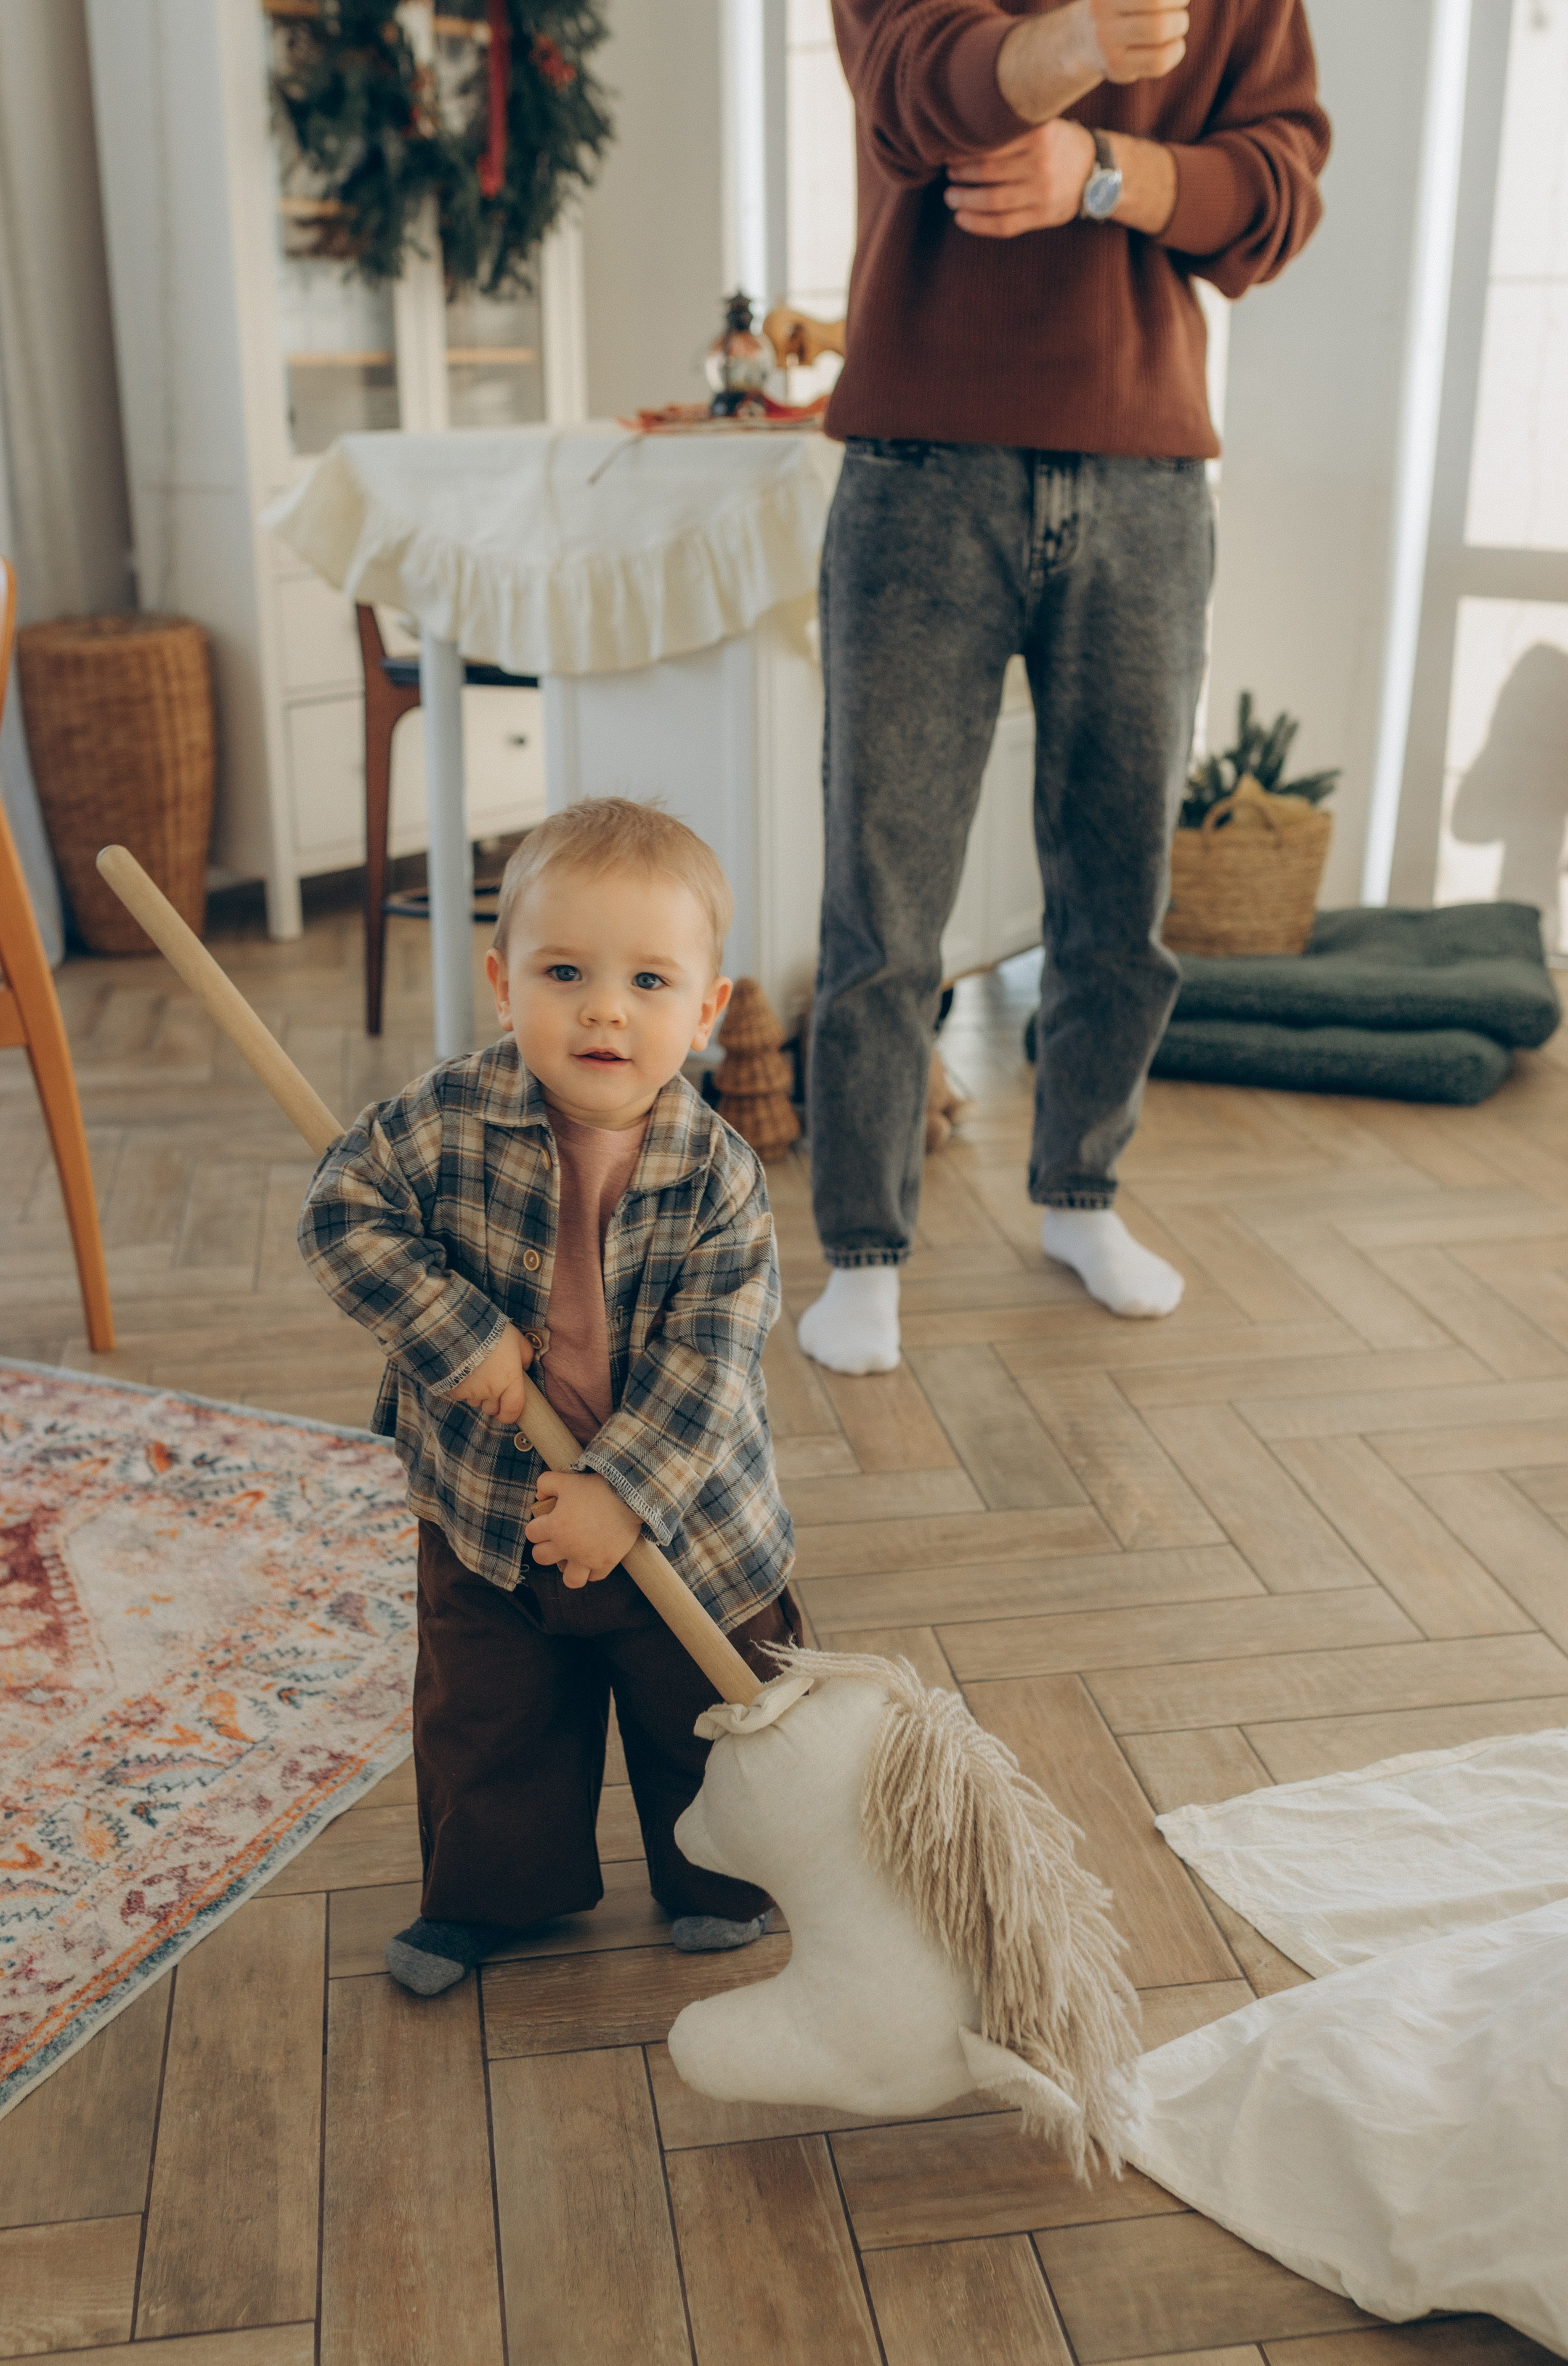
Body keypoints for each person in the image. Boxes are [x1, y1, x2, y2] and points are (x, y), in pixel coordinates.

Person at [784, 0, 1330, 1375]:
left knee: (1116, 895)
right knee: (882, 903)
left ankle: (1078, 1197)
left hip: (1145, 477)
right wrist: (1081, 42)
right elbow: (916, 95)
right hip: (918, 472)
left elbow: (1276, 189)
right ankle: (862, 1249)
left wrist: (1105, 169)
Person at [298, 800, 797, 1995]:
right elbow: (338, 1213)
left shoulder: (720, 1177)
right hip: (488, 1516)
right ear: (501, 979)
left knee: (717, 1726)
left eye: (646, 979)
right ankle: (488, 1898)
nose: (603, 1008)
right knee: (486, 1723)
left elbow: (713, 1359)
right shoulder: (442, 1118)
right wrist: (452, 1331)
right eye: (562, 971)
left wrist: (621, 1495)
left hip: (689, 1529)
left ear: (708, 1008)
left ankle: (720, 1882)